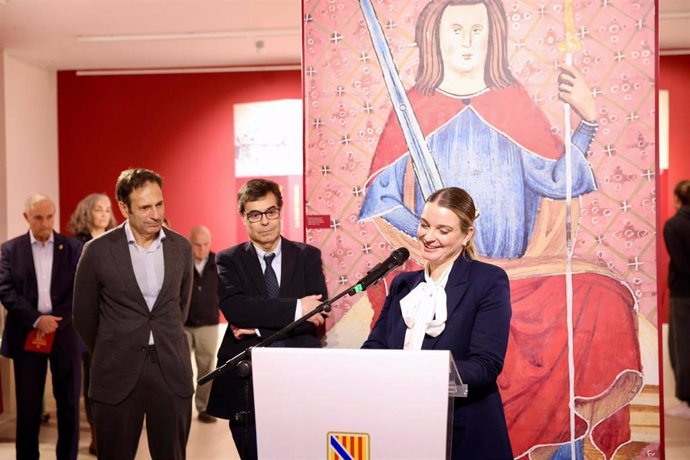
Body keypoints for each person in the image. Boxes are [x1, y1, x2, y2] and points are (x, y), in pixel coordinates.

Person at [358, 0, 642, 457]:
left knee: (603, 295)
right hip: (442, 277)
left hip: (515, 269)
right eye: (456, 30)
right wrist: (431, 235)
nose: (467, 42)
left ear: (494, 38)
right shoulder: (413, 108)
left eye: (478, 30)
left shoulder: (513, 103)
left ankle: (564, 445)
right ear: (434, 38)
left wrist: (587, 119)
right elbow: (384, 197)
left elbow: (556, 180)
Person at [362, 187, 512, 459]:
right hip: (402, 426)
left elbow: (485, 366)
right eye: (424, 225)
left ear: (467, 235)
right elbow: (376, 345)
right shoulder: (402, 284)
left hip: (462, 432)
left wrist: (420, 376)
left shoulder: (488, 281)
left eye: (443, 230)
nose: (428, 237)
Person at [72, 168, 194, 460]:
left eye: (159, 204)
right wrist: (112, 348)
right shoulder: (96, 251)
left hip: (171, 371)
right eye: (145, 207)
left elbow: (181, 308)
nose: (155, 214)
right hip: (116, 372)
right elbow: (83, 316)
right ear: (124, 208)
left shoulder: (181, 247)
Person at [206, 178, 328, 460]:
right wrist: (297, 307)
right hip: (246, 381)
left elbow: (317, 310)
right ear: (244, 217)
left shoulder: (307, 255)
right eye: (255, 214)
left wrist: (258, 325)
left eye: (271, 211)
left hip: (298, 374)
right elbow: (235, 309)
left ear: (280, 210)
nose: (265, 221)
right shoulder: (228, 260)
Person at [0, 194, 83, 460]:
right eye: (38, 218)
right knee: (28, 408)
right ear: (26, 218)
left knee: (68, 405)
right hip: (27, 335)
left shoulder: (72, 248)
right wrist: (37, 319)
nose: (45, 223)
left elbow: (79, 289)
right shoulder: (10, 250)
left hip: (65, 334)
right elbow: (5, 290)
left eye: (49, 216)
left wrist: (56, 319)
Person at [67, 192, 116, 455]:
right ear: (87, 212)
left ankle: (114, 430)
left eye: (108, 209)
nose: (104, 213)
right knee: (92, 381)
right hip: (87, 324)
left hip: (116, 322)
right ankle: (96, 433)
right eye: (99, 209)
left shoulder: (117, 242)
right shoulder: (75, 245)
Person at [184, 225, 220, 423]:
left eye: (205, 244)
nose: (201, 249)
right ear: (190, 244)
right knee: (181, 368)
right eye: (197, 245)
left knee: (207, 367)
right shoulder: (182, 262)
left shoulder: (218, 262)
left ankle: (204, 407)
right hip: (184, 324)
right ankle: (180, 407)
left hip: (209, 324)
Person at [663, 180, 690, 419]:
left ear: (677, 199)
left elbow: (681, 264)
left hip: (683, 293)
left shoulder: (673, 226)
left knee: (681, 346)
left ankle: (686, 400)